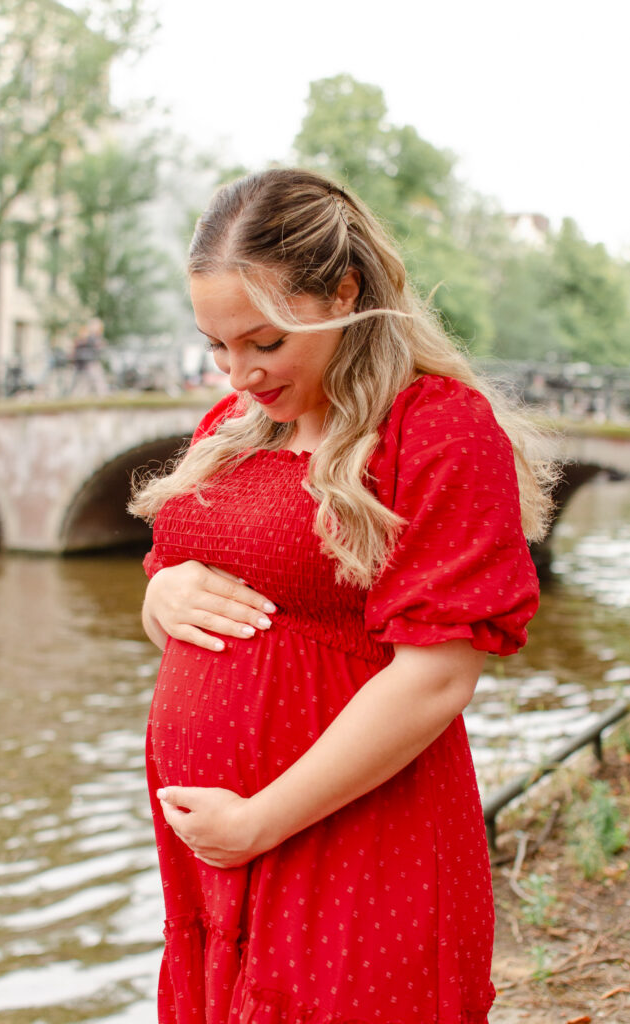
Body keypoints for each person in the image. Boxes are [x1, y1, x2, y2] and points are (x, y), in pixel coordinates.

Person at [129, 168, 556, 1024]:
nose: (238, 372)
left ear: (342, 294)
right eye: (217, 346)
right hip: (222, 855)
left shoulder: (434, 426)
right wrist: (163, 597)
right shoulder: (235, 429)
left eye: (263, 341)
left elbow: (437, 675)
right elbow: (186, 612)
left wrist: (259, 820)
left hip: (356, 840)